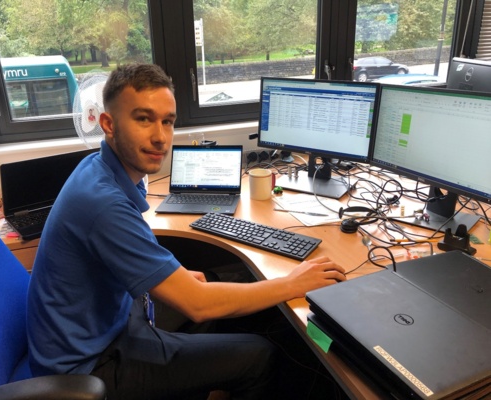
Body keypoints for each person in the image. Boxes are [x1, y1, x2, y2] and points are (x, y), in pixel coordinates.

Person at [27, 63, 347, 400]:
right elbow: (197, 306)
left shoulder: (100, 169)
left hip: (99, 326)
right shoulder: (103, 203)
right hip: (89, 367)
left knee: (223, 284)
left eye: (167, 121)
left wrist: (174, 279)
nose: (160, 136)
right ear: (107, 124)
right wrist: (292, 283)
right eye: (143, 119)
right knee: (258, 353)